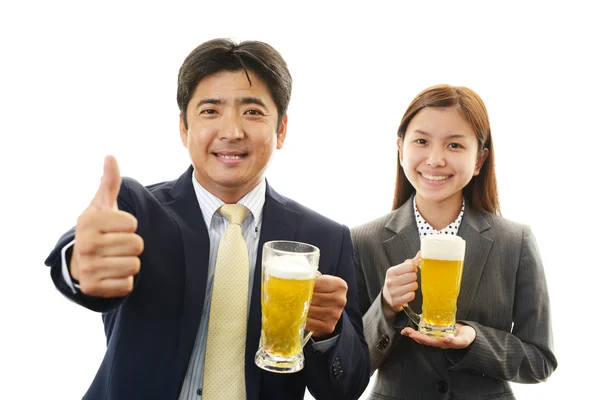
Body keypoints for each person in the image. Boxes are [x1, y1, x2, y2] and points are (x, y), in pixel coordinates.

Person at [44, 38, 370, 400]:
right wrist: (78, 262)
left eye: (252, 112)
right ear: (184, 128)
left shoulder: (324, 237)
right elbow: (82, 251)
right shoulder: (138, 208)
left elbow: (346, 388)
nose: (231, 132)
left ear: (281, 130)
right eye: (210, 111)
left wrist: (328, 334)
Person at [351, 84, 557, 399]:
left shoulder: (515, 242)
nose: (435, 159)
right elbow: (348, 370)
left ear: (479, 160)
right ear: (400, 148)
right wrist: (386, 307)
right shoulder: (363, 241)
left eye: (455, 146)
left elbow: (540, 361)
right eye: (421, 141)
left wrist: (474, 339)